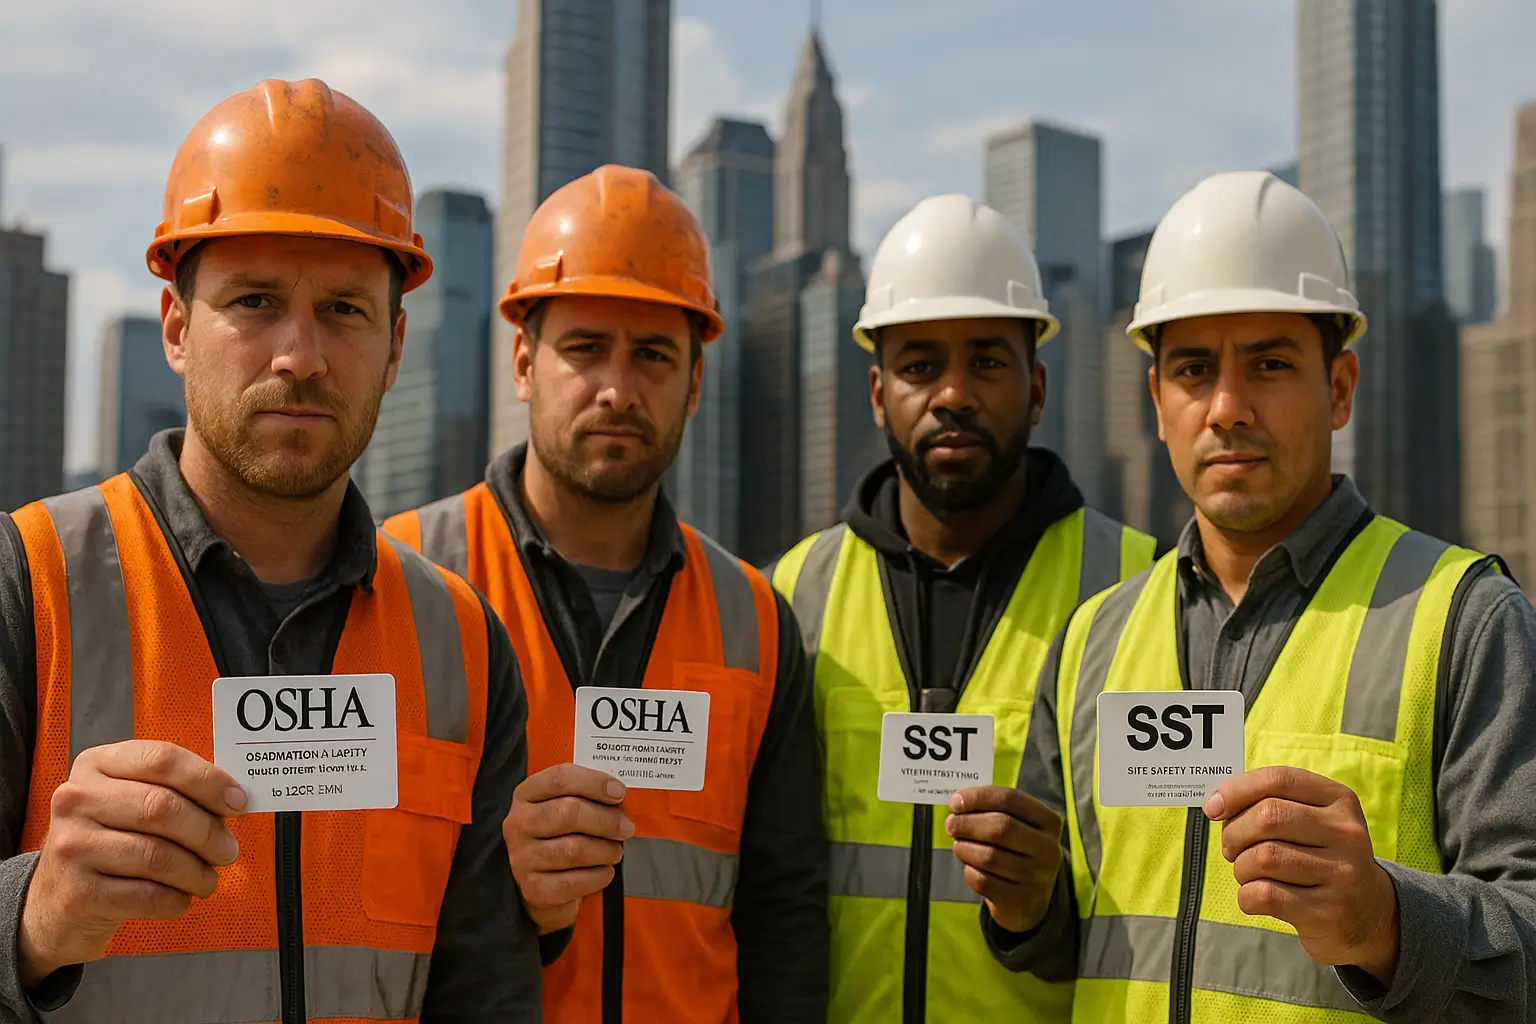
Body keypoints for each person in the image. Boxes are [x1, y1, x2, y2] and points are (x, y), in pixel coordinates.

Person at [0, 79, 543, 1022]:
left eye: (344, 310)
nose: (301, 354)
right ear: (178, 329)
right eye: (254, 302)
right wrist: (32, 917)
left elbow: (485, 990)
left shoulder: (459, 641)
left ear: (396, 346)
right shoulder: (32, 580)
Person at [984, 170, 1536, 1022]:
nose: (1228, 407)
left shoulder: (1465, 619)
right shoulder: (1093, 639)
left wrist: (1386, 921)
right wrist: (1026, 911)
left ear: (1340, 388)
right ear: (1157, 401)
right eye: (1193, 370)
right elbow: (1087, 943)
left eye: (1270, 364)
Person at [383, 164, 828, 1023]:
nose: (618, 389)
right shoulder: (402, 577)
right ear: (524, 363)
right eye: (585, 348)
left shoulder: (754, 620)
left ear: (695, 385)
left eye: (653, 355)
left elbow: (785, 913)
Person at [768, 194, 1157, 1024]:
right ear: (878, 394)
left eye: (987, 362)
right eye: (919, 367)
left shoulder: (1139, 589)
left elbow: (1171, 887)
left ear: (1037, 389)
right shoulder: (792, 596)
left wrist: (1046, 903)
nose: (953, 394)